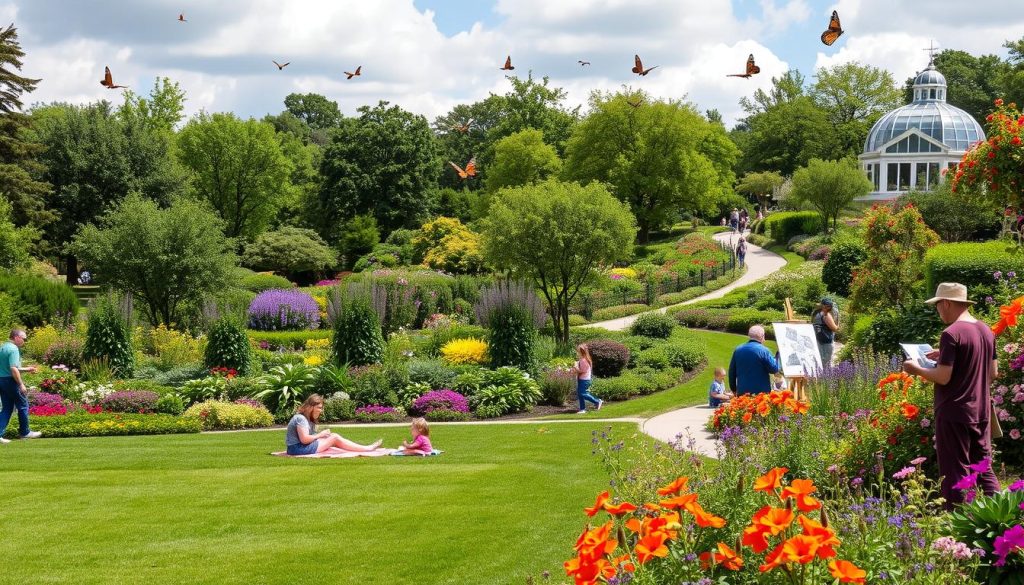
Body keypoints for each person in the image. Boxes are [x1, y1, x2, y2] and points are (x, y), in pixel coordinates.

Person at [902, 283, 1000, 508]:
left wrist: (915, 368)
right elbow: (992, 372)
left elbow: (944, 377)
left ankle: (957, 523)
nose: (938, 311)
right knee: (983, 468)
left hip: (954, 411)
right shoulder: (986, 329)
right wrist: (947, 356)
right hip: (981, 410)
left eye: (938, 306)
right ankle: (1001, 518)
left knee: (955, 471)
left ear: (946, 303)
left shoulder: (951, 333)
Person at [285, 394, 382, 455]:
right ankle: (367, 448)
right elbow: (304, 439)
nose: (321, 411)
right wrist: (320, 434)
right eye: (319, 408)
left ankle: (364, 448)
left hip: (299, 448)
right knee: (334, 438)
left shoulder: (308, 419)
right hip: (297, 449)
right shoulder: (301, 418)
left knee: (332, 436)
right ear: (311, 407)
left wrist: (322, 436)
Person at [0, 329, 41, 443]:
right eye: (24, 338)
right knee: (23, 405)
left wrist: (27, 369)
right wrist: (21, 384)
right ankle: (25, 432)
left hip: (2, 380)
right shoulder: (14, 349)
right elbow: (13, 369)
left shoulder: (3, 347)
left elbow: (11, 368)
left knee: (7, 408)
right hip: (11, 382)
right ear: (16, 337)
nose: (24, 341)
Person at [728, 325, 781, 396]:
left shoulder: (738, 350)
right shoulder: (764, 351)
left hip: (742, 393)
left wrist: (733, 389)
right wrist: (778, 355)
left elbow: (732, 372)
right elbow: (774, 369)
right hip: (760, 394)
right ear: (762, 336)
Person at [570, 343, 602, 414]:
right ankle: (582, 409)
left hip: (584, 380)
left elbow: (582, 371)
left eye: (578, 351)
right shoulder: (584, 359)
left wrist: (575, 367)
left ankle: (597, 401)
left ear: (581, 352)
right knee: (580, 394)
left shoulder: (584, 360)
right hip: (584, 379)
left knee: (583, 394)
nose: (577, 352)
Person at [812, 298, 840, 366]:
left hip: (819, 339)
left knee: (821, 360)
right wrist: (838, 323)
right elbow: (835, 328)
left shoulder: (817, 314)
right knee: (827, 363)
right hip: (826, 342)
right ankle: (826, 376)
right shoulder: (826, 315)